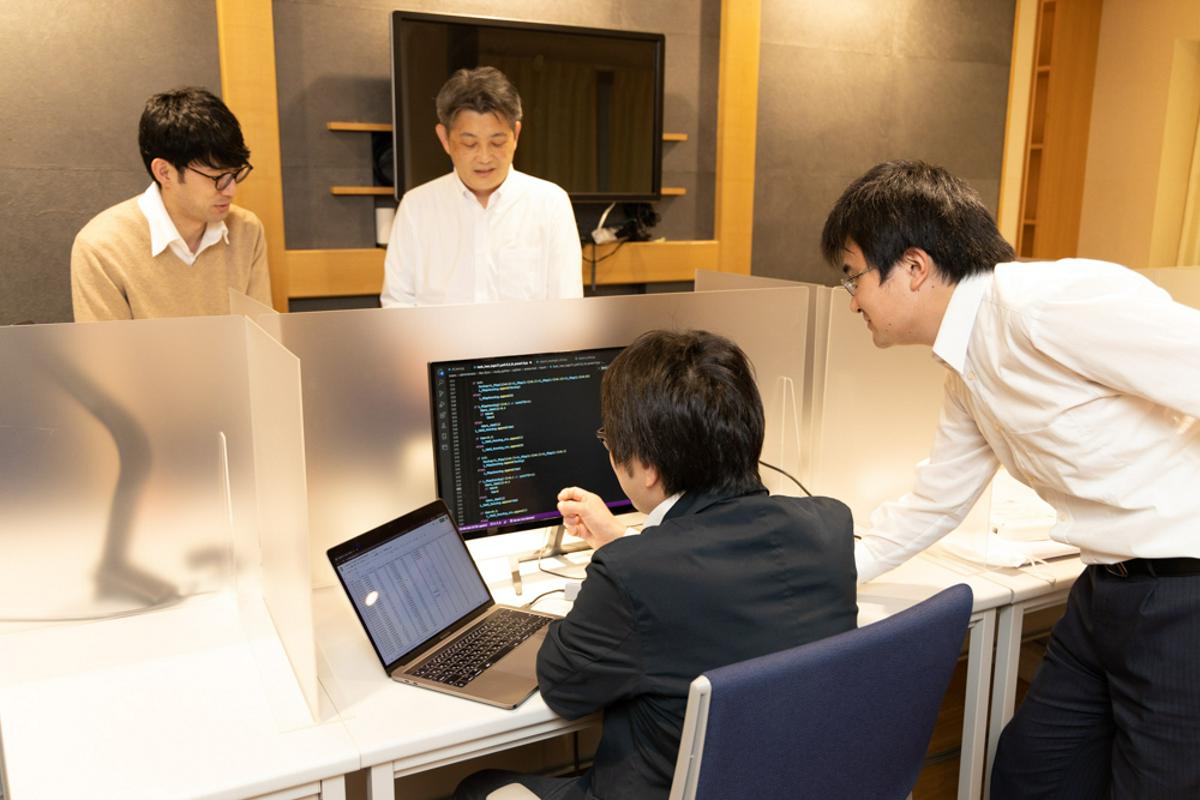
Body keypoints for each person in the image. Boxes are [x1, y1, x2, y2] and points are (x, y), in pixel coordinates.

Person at [820, 159, 1200, 798]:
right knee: (1030, 775)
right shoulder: (966, 366)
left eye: (853, 276)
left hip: (1182, 593)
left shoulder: (1047, 304)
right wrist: (826, 575)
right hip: (1105, 588)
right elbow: (934, 504)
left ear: (913, 267)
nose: (852, 299)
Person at [454, 329, 858, 800]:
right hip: (794, 785)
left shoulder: (630, 574)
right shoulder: (829, 525)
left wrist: (616, 562)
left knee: (477, 787)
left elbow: (564, 688)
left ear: (647, 467)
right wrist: (622, 543)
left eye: (609, 439)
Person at [380, 66, 583, 307]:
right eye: (469, 144)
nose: (484, 157)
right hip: (439, 335)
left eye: (497, 142)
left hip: (529, 334)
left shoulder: (550, 203)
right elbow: (398, 303)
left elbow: (567, 306)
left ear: (516, 135)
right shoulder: (416, 207)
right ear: (444, 139)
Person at [71, 87, 269, 322]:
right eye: (217, 177)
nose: (231, 190)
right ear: (164, 172)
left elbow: (262, 336)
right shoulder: (102, 246)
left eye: (235, 174)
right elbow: (107, 347)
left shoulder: (247, 230)